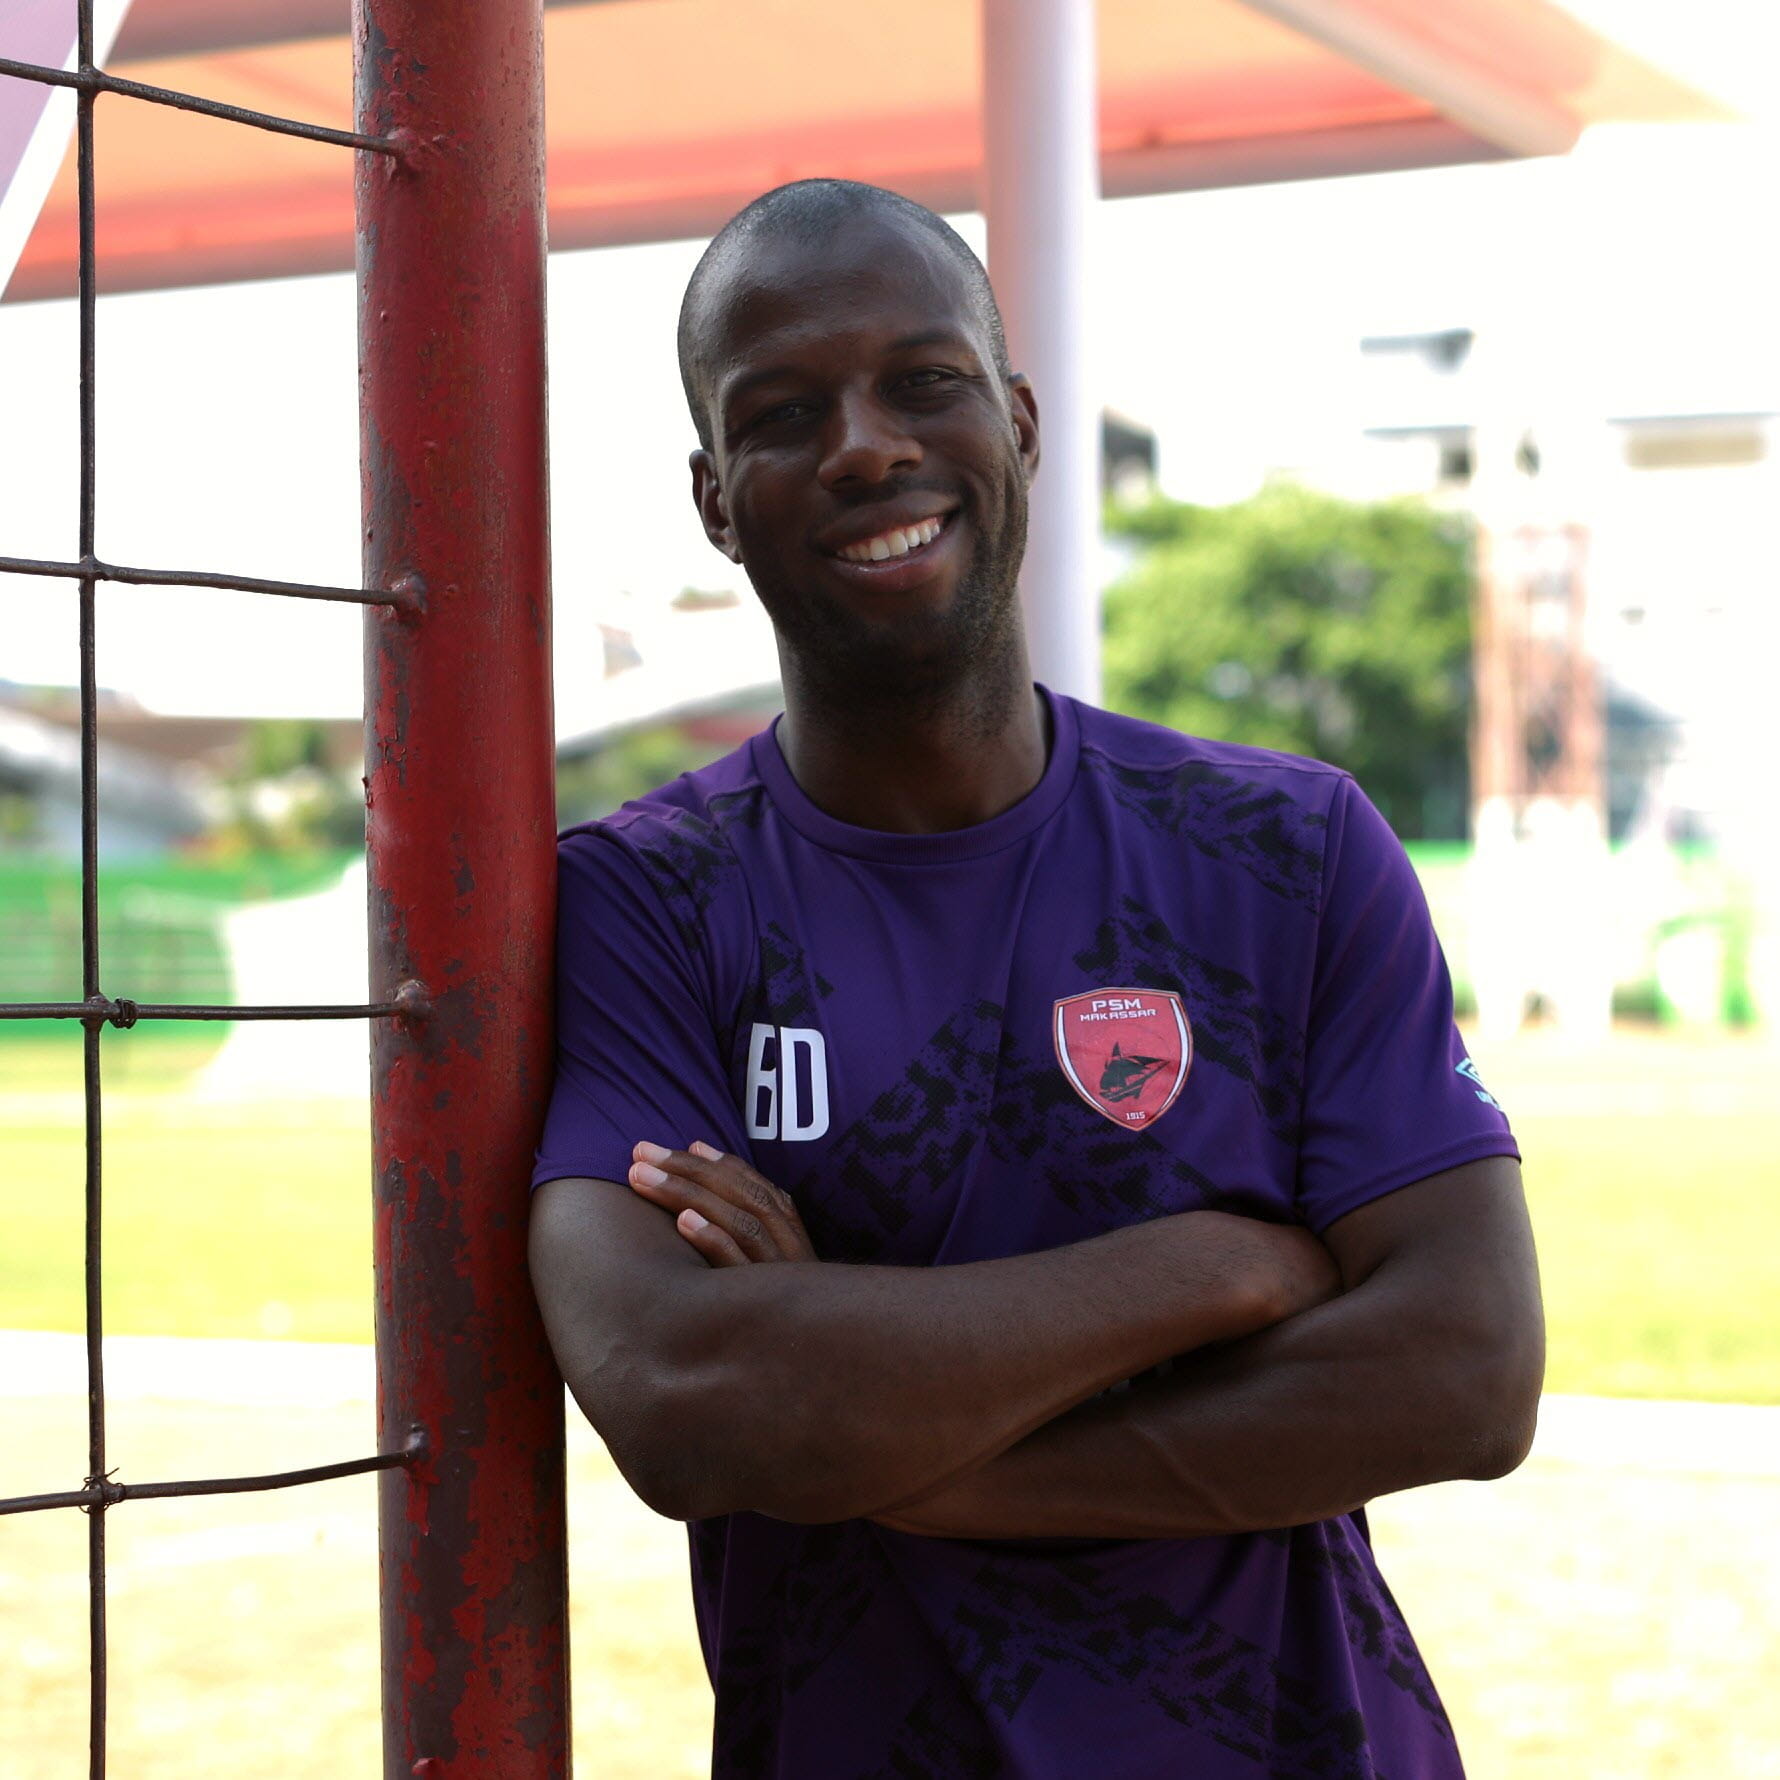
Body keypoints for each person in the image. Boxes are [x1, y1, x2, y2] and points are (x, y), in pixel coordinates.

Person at [528, 178, 1543, 1780]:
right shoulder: (643, 899)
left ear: (1017, 423)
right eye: (784, 413)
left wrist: (890, 1445)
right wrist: (1212, 1270)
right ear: (716, 500)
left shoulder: (1284, 847)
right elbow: (683, 1388)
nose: (865, 446)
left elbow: (1465, 1371)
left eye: (922, 382)